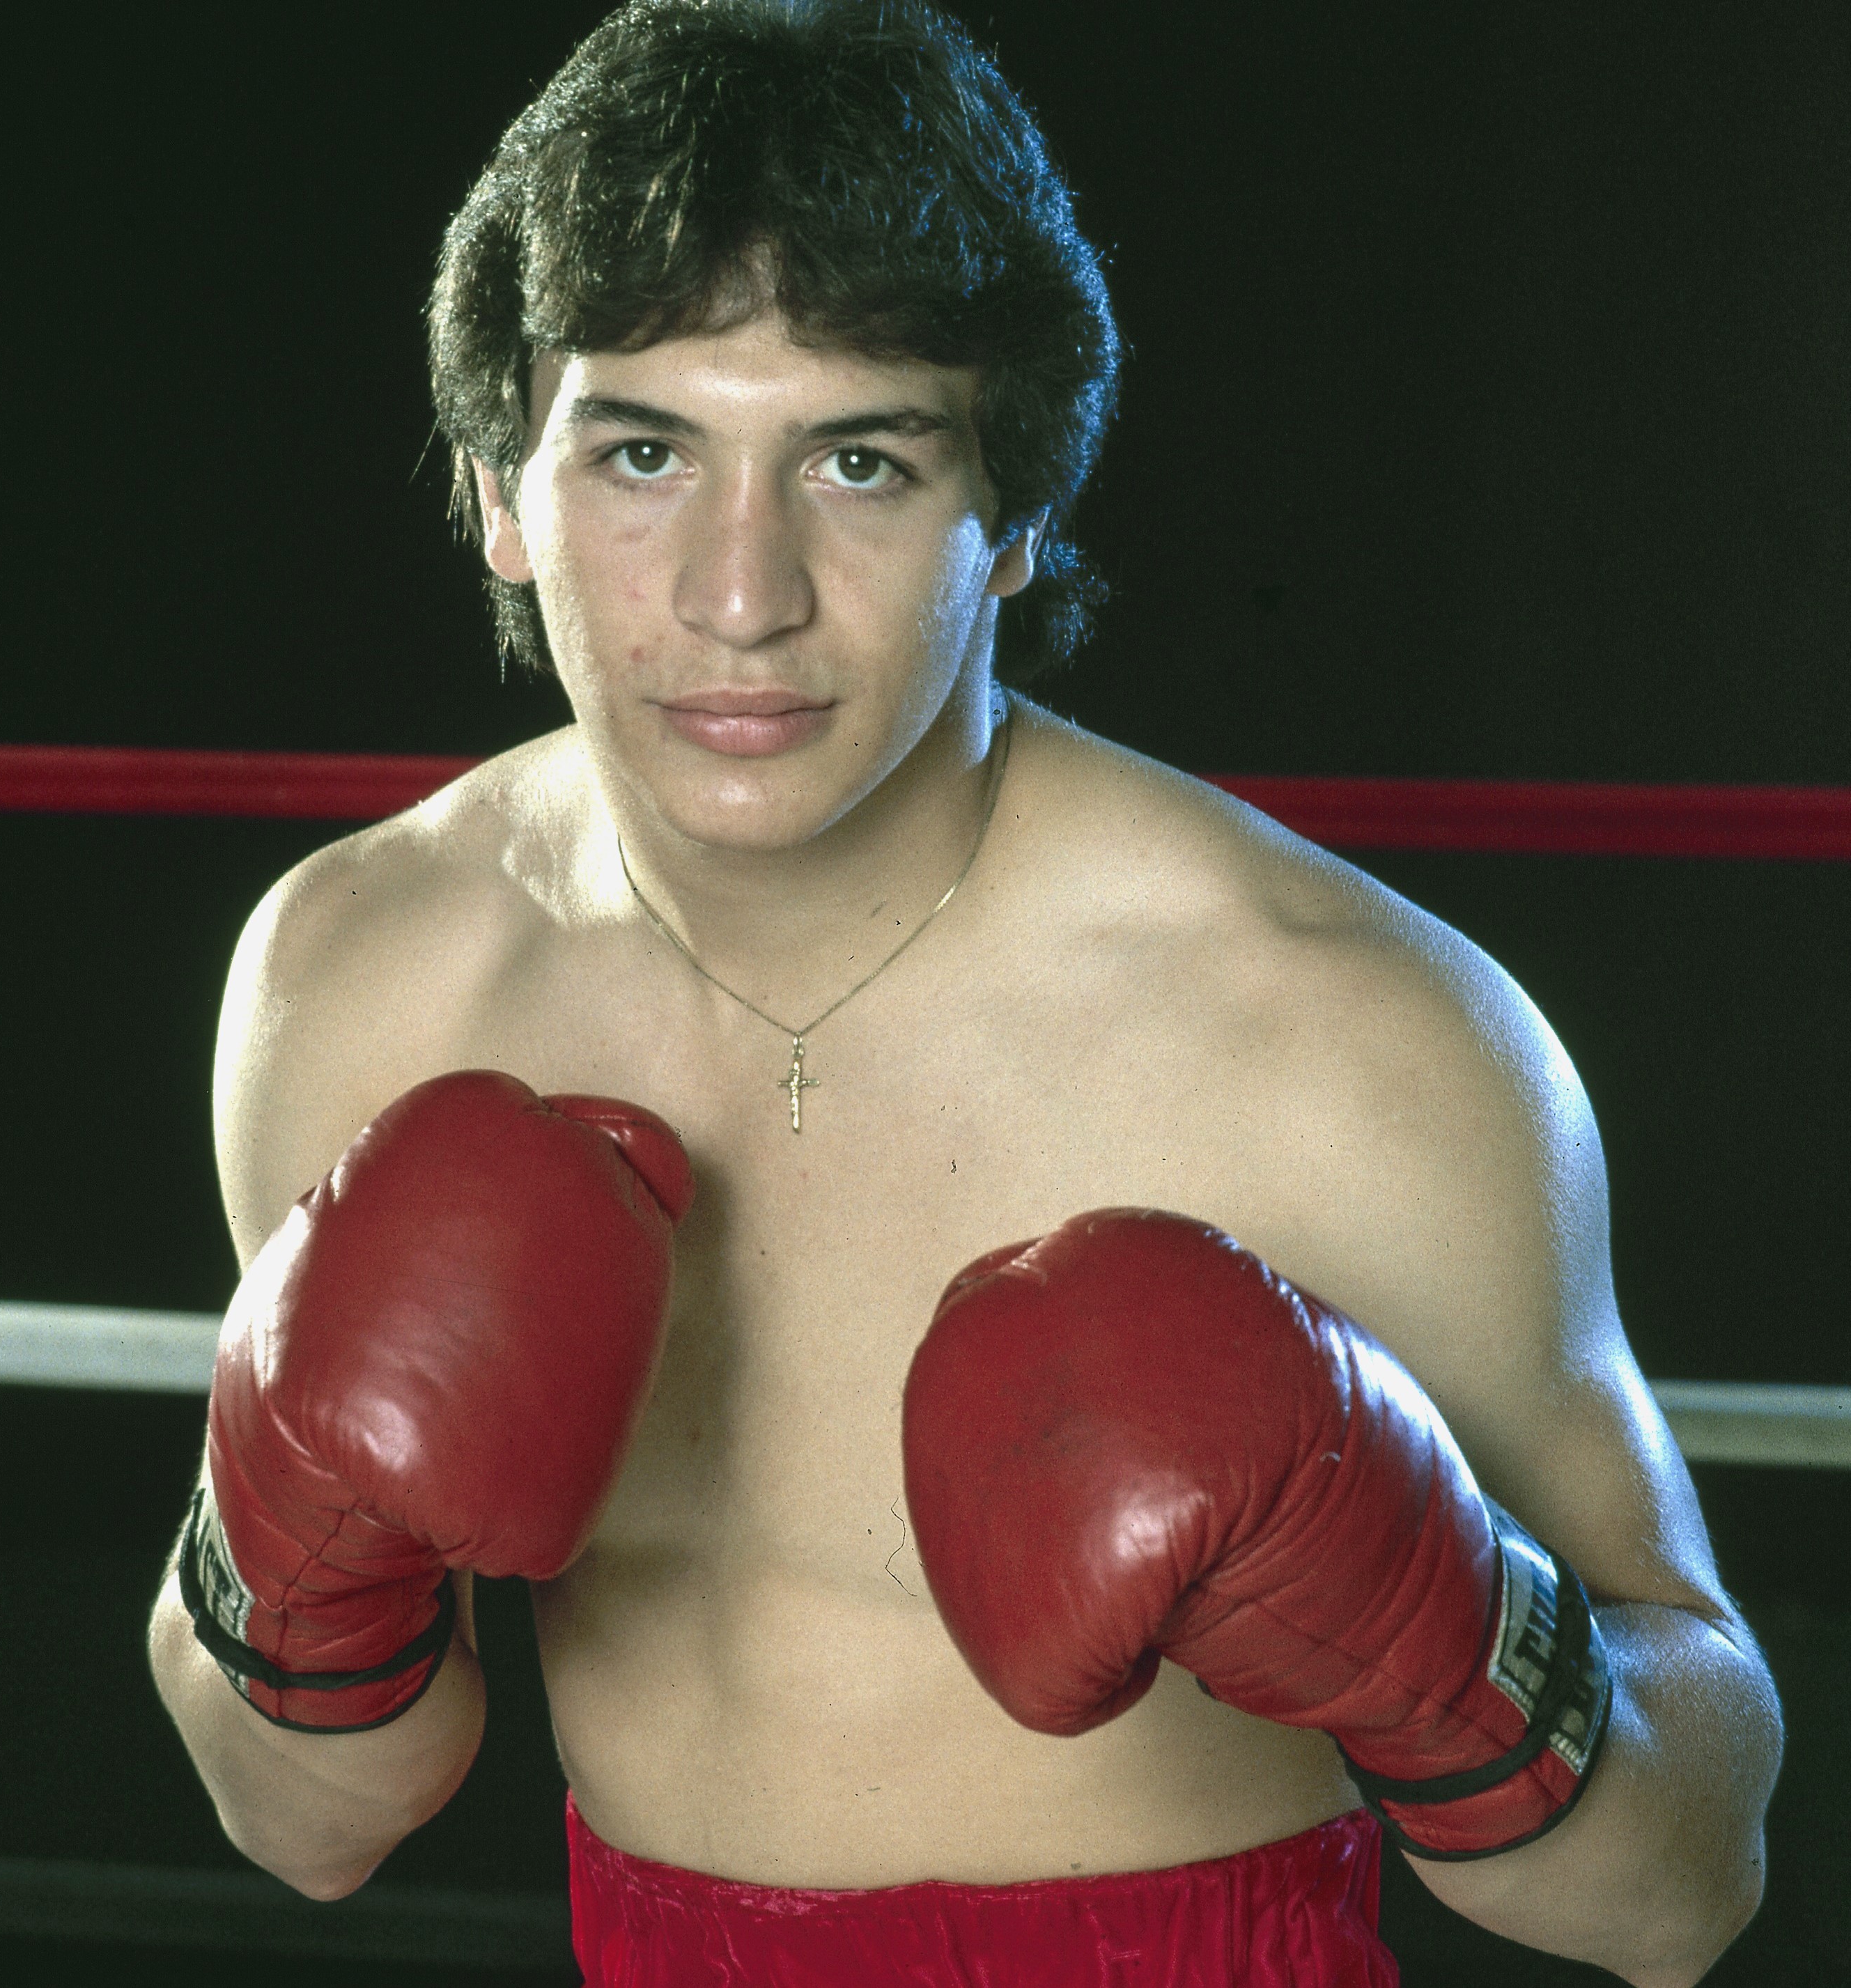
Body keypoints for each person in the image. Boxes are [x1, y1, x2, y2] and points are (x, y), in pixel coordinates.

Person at [148, 3, 1781, 1982]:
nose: (741, 593)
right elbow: (307, 1818)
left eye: (857, 460)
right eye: (648, 452)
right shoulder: (366, 976)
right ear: (505, 489)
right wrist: (296, 1563)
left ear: (1008, 519)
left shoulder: (1345, 1043)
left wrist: (1449, 1650)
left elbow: (1685, 1897)